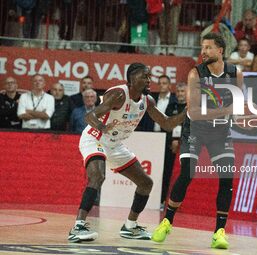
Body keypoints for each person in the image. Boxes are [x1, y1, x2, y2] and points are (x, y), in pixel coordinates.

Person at [68, 62, 186, 243]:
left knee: (146, 183)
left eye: (149, 77)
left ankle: (130, 226)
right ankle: (78, 227)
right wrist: (103, 127)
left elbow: (167, 123)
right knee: (98, 176)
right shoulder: (118, 94)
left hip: (115, 145)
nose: (149, 80)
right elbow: (89, 116)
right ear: (132, 79)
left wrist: (186, 113)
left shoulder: (148, 101)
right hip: (95, 138)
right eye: (145, 76)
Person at [152, 32, 243, 249]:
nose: (203, 52)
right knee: (187, 173)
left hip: (219, 132)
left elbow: (238, 106)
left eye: (208, 48)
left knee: (227, 178)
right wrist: (226, 110)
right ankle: (167, 222)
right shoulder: (196, 73)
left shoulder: (235, 73)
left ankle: (219, 232)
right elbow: (194, 110)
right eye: (202, 48)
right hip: (195, 128)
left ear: (220, 51)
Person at [161, 82, 187, 208]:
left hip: (186, 145)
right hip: (170, 145)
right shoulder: (171, 106)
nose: (180, 94)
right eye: (178, 92)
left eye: (183, 91)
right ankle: (163, 200)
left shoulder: (191, 107)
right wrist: (174, 139)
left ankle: (177, 202)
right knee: (166, 173)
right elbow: (167, 123)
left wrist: (180, 139)